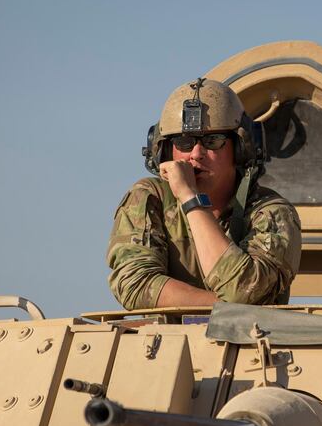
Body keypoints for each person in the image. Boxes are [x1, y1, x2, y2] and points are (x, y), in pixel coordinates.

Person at [106, 78, 302, 310]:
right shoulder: (150, 198)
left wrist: (190, 199)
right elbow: (135, 285)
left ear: (240, 149)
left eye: (213, 141)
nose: (196, 154)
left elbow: (244, 290)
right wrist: (224, 306)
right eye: (184, 142)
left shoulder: (273, 213)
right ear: (168, 151)